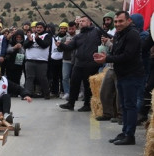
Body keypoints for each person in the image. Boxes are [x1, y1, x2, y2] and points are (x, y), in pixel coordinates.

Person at [94, 11, 144, 146]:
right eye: (116, 22)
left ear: (129, 21)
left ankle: (130, 135)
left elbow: (127, 56)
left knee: (130, 105)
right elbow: (116, 52)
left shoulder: (132, 35)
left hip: (131, 75)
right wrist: (105, 55)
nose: (117, 24)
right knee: (123, 106)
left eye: (120, 21)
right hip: (121, 74)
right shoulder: (119, 34)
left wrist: (107, 58)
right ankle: (124, 132)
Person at [58, 16, 102, 112]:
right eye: (80, 21)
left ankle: (87, 104)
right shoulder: (78, 36)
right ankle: (71, 103)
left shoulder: (96, 31)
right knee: (74, 83)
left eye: (84, 21)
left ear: (90, 22)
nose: (81, 23)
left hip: (91, 63)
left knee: (87, 85)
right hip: (78, 63)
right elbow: (69, 47)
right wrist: (61, 45)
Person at [23, 21, 51, 99]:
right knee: (29, 78)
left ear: (44, 28)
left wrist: (37, 39)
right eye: (37, 27)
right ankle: (27, 94)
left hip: (42, 61)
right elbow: (25, 46)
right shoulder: (30, 35)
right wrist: (30, 41)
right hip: (30, 60)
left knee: (42, 78)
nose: (38, 29)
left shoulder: (47, 35)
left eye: (40, 27)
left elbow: (44, 45)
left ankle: (46, 94)